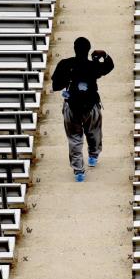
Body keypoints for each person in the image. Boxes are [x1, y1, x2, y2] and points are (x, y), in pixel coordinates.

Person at [51, 36, 114, 182]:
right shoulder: (93, 66)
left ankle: (79, 171)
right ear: (89, 50)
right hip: (91, 105)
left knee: (74, 138)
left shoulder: (65, 64)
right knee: (94, 132)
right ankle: (93, 156)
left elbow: (56, 85)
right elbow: (109, 66)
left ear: (74, 48)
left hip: (72, 106)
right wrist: (104, 55)